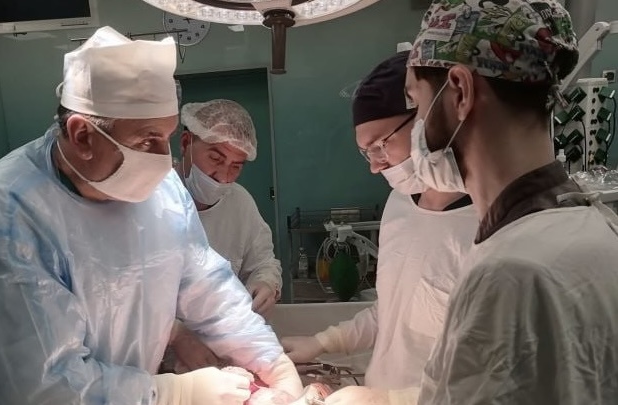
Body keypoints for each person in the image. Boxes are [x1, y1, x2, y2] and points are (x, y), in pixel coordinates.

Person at [0, 26, 301, 405]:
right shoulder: (3, 218)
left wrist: (269, 358)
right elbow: (45, 385)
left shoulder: (164, 194)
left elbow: (207, 289)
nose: (162, 160)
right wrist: (174, 393)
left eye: (166, 138)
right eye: (147, 140)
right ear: (82, 135)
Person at [404, 0, 618, 403]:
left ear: (460, 90)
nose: (416, 126)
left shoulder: (509, 275)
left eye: (416, 103)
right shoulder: (596, 225)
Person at [280, 47, 478, 405]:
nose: (375, 165)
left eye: (381, 145)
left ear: (426, 119)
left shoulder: (487, 227)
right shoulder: (401, 204)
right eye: (366, 152)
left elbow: (489, 381)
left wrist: (390, 400)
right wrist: (323, 343)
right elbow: (390, 314)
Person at [162, 99, 283, 373]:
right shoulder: (155, 201)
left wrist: (265, 282)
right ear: (185, 143)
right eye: (216, 159)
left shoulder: (239, 203)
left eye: (236, 166)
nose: (223, 176)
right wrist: (175, 334)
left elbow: (263, 261)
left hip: (225, 360)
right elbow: (129, 297)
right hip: (157, 363)